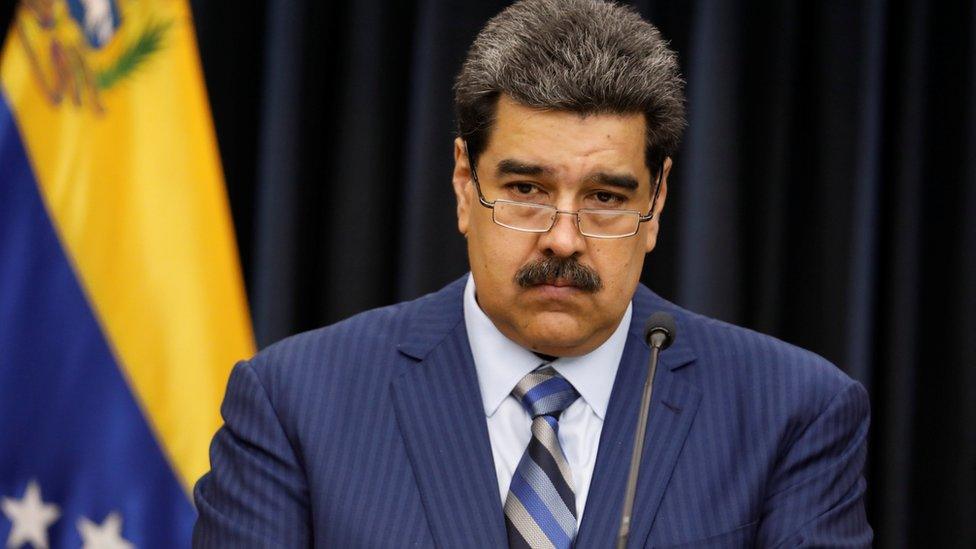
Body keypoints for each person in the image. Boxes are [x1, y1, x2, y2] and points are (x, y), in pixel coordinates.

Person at [192, 0, 872, 547]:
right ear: (465, 182)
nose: (563, 238)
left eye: (606, 198)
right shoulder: (296, 402)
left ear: (656, 202)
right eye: (525, 189)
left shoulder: (791, 411)